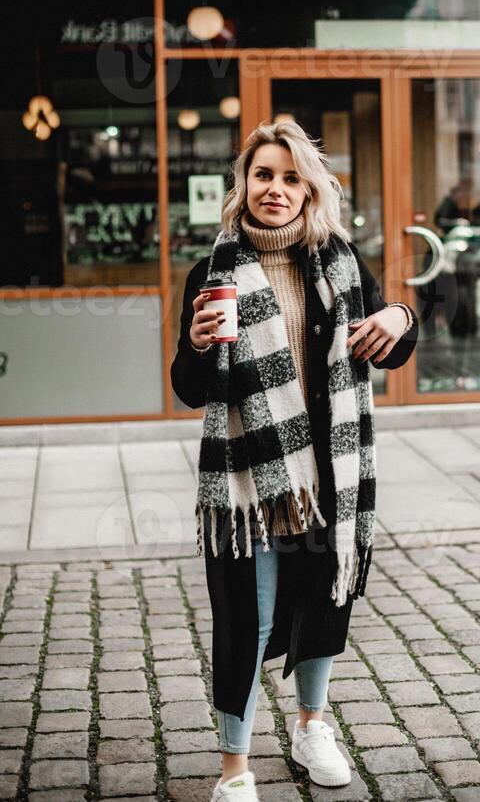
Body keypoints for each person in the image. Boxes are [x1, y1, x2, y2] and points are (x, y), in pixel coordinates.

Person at [171, 121, 418, 801]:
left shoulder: (339, 261)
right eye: (263, 175)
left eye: (289, 177)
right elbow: (190, 388)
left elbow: (389, 344)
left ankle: (312, 725)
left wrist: (400, 315)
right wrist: (194, 346)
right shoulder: (210, 272)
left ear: (309, 188)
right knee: (244, 618)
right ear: (243, 185)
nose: (275, 188)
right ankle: (234, 768)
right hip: (248, 484)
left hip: (332, 476)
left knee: (321, 601)